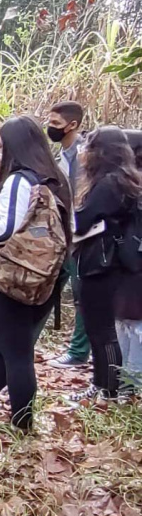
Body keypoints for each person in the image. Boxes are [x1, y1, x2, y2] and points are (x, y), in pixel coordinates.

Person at [0, 116, 72, 430]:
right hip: (47, 277)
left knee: (18, 354)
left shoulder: (19, 181)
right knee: (9, 345)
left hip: (12, 278)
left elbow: (4, 232)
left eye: (0, 145)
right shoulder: (57, 178)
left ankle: (22, 425)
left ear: (13, 147)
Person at [68, 126, 142, 402]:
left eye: (88, 147)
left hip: (101, 263)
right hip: (110, 263)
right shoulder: (124, 180)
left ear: (100, 152)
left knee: (101, 330)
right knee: (101, 329)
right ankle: (102, 385)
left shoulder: (109, 184)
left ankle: (107, 388)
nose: (83, 153)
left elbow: (82, 221)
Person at [46, 101, 92, 369]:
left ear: (72, 125)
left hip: (83, 236)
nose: (50, 128)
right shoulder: (62, 155)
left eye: (55, 124)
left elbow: (83, 198)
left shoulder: (84, 156)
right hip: (64, 234)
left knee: (82, 293)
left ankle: (79, 351)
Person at [119, 129, 142, 392]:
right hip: (126, 264)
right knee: (123, 322)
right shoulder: (127, 184)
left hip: (136, 265)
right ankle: (123, 381)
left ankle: (132, 385)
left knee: (136, 326)